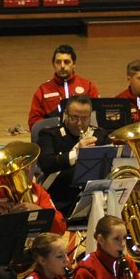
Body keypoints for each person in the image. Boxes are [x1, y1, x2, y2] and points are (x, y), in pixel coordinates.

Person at [34, 93, 100, 221]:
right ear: (66, 114)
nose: (79, 123)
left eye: (84, 119)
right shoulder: (49, 135)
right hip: (59, 201)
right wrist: (76, 154)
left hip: (93, 202)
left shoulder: (100, 135)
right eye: (74, 118)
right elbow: (46, 164)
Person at [27, 43, 98, 128]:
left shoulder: (88, 86)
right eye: (58, 62)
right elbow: (34, 121)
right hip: (54, 137)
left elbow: (97, 115)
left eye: (67, 62)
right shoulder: (43, 90)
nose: (62, 66)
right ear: (53, 64)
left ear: (74, 64)